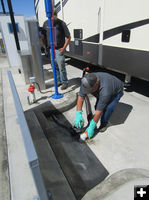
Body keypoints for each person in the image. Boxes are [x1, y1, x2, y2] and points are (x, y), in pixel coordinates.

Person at [74, 72, 124, 140]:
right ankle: (96, 120)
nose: (88, 92)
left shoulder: (105, 91)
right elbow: (80, 97)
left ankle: (104, 124)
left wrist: (91, 127)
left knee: (108, 109)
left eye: (90, 90)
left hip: (116, 91)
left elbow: (98, 112)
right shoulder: (86, 81)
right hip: (106, 86)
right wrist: (78, 114)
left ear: (96, 85)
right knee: (98, 106)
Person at [43, 9, 71, 90]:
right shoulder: (46, 23)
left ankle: (64, 82)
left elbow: (68, 37)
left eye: (53, 16)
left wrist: (64, 48)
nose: (51, 19)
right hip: (50, 49)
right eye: (50, 17)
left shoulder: (61, 23)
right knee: (54, 67)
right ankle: (58, 81)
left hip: (59, 49)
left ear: (56, 15)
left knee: (61, 67)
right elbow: (43, 36)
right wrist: (45, 47)